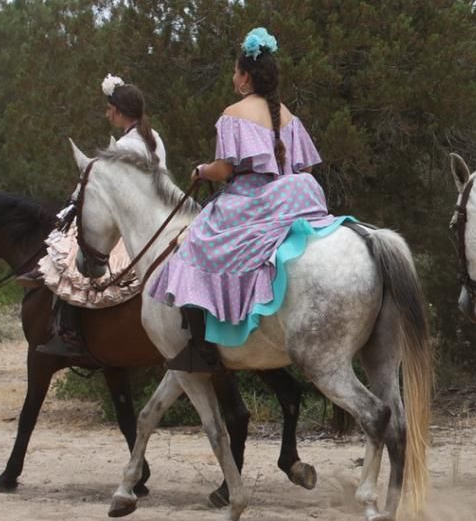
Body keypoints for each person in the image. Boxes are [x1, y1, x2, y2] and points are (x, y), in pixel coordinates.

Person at [146, 27, 348, 371]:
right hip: (295, 197)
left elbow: (224, 171)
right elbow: (307, 169)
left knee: (196, 242)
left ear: (245, 78)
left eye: (236, 71)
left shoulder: (234, 114)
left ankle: (202, 346)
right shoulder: (288, 116)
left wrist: (200, 171)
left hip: (252, 197)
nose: (233, 76)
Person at [37, 75, 167, 357]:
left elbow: (101, 185)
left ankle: (69, 333)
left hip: (130, 223)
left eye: (110, 108)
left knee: (68, 261)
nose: (107, 113)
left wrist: (73, 204)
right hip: (155, 216)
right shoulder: (153, 138)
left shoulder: (124, 147)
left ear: (119, 111)